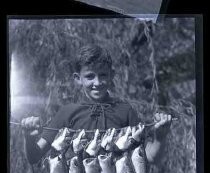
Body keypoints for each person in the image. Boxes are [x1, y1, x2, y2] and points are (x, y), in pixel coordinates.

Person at [21, 44, 171, 165]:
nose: (97, 83)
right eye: (90, 76)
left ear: (111, 75)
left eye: (103, 75)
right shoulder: (66, 113)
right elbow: (34, 157)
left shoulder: (125, 111)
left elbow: (150, 158)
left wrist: (160, 139)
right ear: (78, 78)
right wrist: (28, 137)